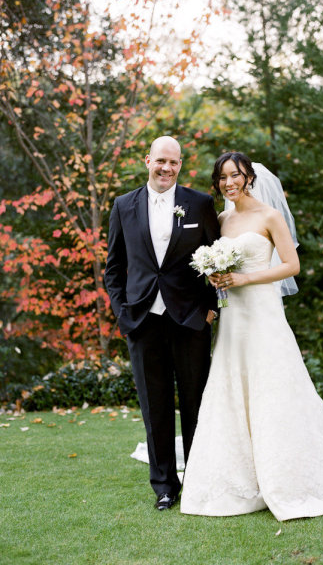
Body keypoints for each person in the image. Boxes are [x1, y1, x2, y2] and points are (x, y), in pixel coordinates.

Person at [180, 151, 323, 521]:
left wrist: (245, 278)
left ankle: (288, 470)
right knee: (232, 387)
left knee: (274, 384)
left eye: (235, 175)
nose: (228, 183)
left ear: (249, 177)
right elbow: (219, 265)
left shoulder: (269, 216)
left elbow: (291, 265)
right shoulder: (221, 219)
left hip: (263, 313)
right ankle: (241, 474)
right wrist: (216, 275)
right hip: (233, 318)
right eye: (222, 177)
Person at [104, 136, 220, 511]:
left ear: (180, 165)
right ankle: (165, 487)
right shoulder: (123, 205)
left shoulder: (200, 203)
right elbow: (114, 269)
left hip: (190, 320)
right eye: (160, 161)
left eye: (173, 162)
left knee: (195, 403)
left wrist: (210, 308)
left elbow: (217, 258)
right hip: (142, 321)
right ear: (147, 161)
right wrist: (123, 312)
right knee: (154, 408)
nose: (166, 168)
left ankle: (199, 479)